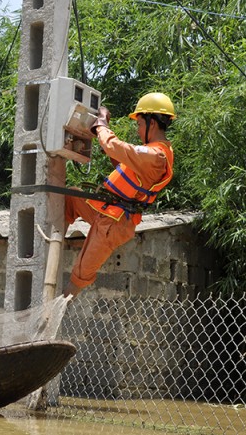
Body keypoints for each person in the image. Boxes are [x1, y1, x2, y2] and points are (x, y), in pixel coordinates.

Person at [62, 92, 175, 298]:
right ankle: (50, 245)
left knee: (81, 274)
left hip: (115, 223)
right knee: (70, 198)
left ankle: (52, 314)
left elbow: (115, 146)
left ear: (152, 123)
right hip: (107, 210)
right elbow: (124, 165)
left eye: (139, 124)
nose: (138, 129)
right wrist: (105, 137)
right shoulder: (154, 152)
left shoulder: (156, 156)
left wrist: (102, 125)